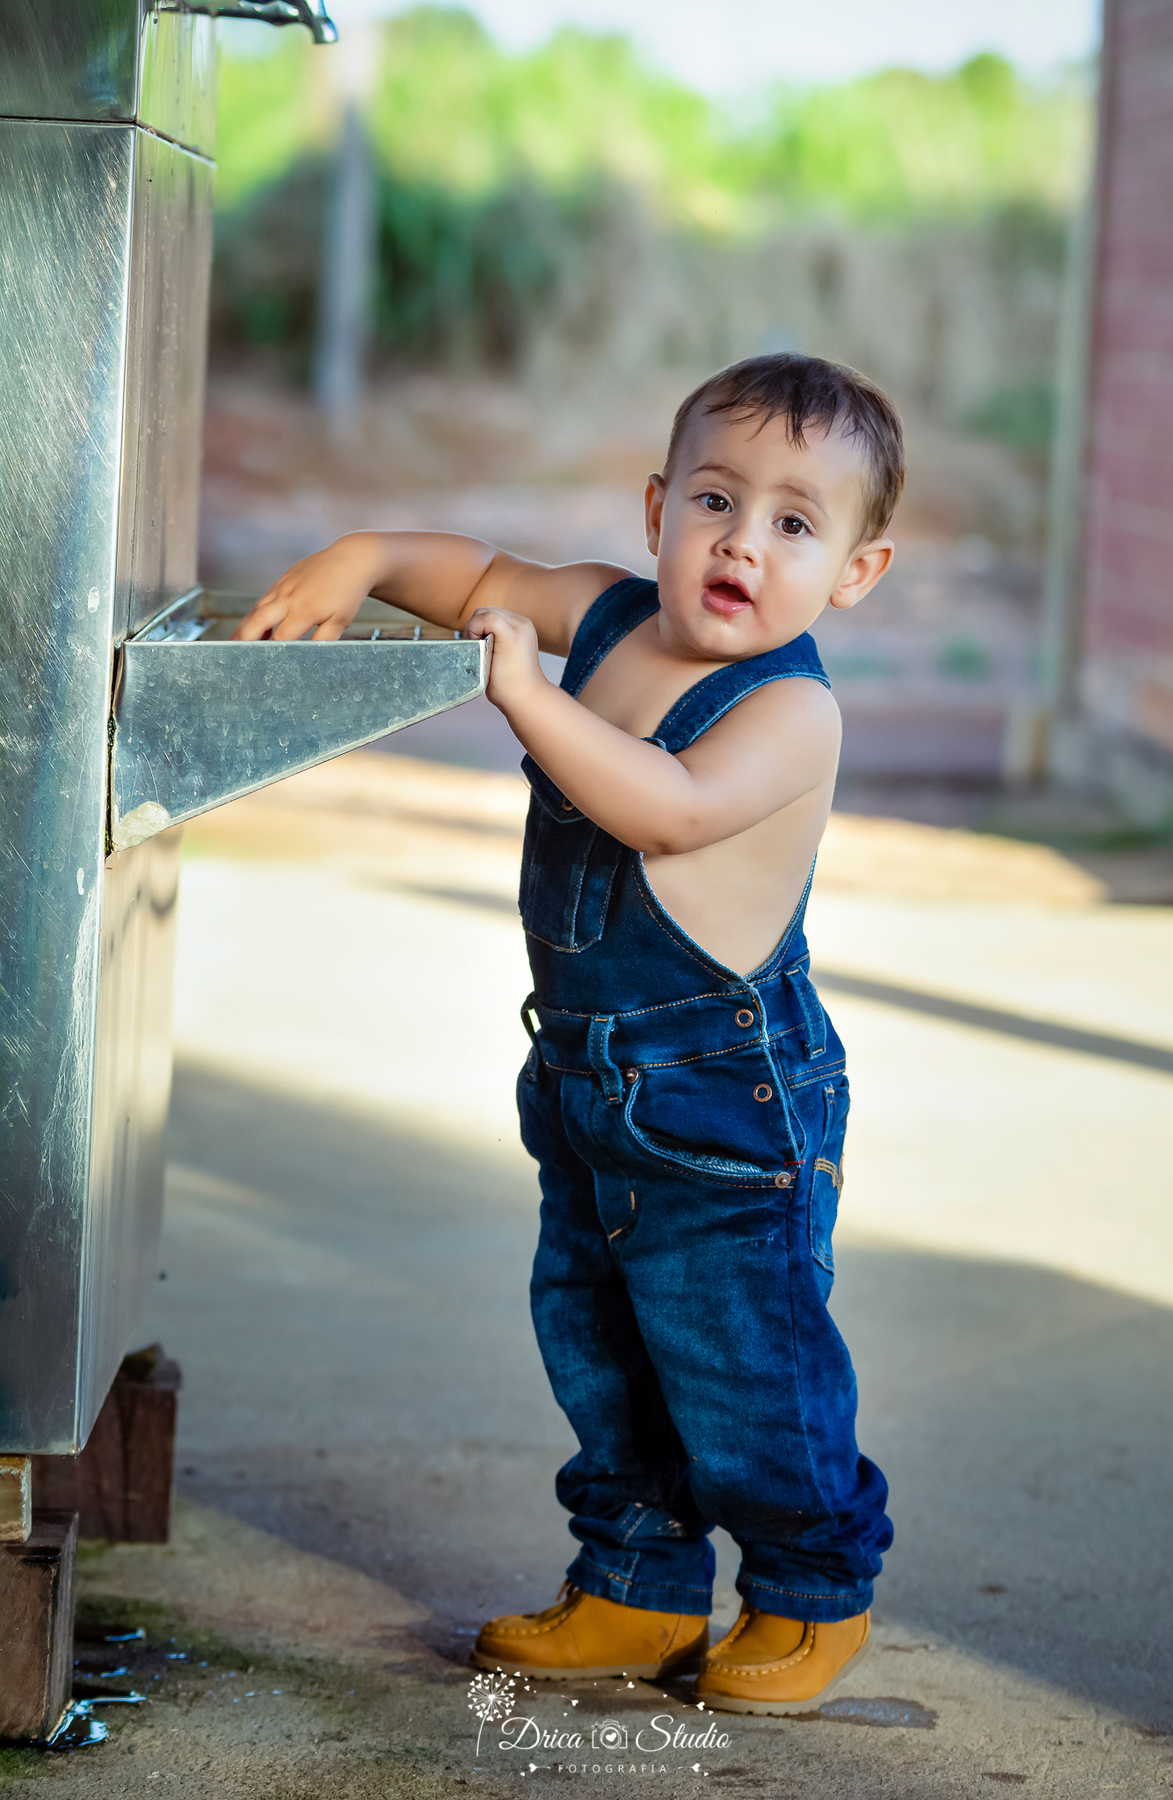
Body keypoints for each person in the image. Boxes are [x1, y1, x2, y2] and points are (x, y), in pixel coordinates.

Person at [234, 353, 901, 1716]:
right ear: (658, 506)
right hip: (591, 1086)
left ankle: (812, 1590)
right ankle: (637, 1585)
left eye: (793, 522)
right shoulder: (606, 618)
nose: (740, 541)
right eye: (715, 499)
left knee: (740, 1364)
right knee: (598, 1343)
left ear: (855, 572)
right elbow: (479, 579)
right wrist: (363, 556)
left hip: (726, 1107)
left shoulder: (790, 713)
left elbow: (662, 804)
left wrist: (526, 699)